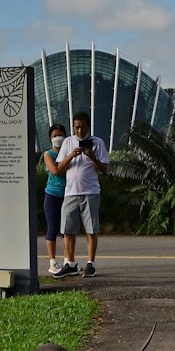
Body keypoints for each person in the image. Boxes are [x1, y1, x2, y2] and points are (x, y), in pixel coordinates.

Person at [55, 112, 108, 278]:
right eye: (76, 127)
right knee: (68, 230)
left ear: (88, 126)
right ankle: (70, 263)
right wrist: (71, 155)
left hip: (90, 192)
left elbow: (104, 170)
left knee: (91, 230)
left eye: (82, 127)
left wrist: (92, 157)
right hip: (71, 192)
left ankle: (90, 264)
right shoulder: (68, 143)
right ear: (73, 127)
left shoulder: (97, 143)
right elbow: (59, 169)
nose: (79, 130)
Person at [41, 123, 68, 277]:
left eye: (61, 135)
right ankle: (52, 262)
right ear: (50, 139)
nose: (58, 138)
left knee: (66, 230)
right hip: (52, 195)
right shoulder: (48, 154)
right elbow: (55, 171)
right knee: (52, 228)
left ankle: (67, 261)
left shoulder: (69, 152)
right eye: (55, 136)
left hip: (68, 195)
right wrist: (68, 158)